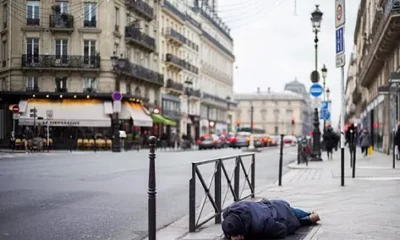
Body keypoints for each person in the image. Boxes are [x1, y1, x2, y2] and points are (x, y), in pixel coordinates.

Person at [222, 199, 320, 240]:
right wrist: (230, 234)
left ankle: (309, 218)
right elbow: (229, 225)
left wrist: (253, 235)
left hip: (283, 214)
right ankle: (309, 214)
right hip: (272, 204)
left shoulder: (259, 225)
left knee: (295, 217)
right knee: (296, 211)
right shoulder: (231, 210)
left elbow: (282, 230)